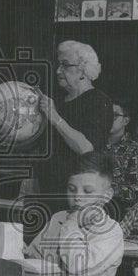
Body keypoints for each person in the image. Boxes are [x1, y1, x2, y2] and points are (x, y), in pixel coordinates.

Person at [32, 41, 114, 218]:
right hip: (47, 190)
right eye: (58, 64)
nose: (58, 71)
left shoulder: (99, 101)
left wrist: (55, 118)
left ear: (84, 70)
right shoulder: (59, 101)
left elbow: (87, 148)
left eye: (66, 65)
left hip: (76, 194)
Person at [104, 100, 138, 217]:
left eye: (115, 115)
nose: (108, 118)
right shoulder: (94, 143)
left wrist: (110, 191)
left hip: (117, 208)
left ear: (126, 121)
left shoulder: (134, 148)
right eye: (106, 114)